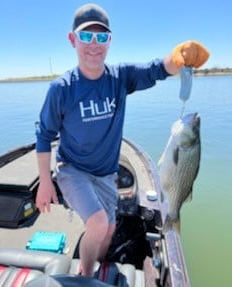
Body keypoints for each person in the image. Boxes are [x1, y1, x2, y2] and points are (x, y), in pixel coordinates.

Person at [35, 3, 209, 277]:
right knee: (98, 222)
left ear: (109, 41)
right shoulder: (61, 88)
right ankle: (86, 277)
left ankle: (95, 265)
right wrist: (45, 181)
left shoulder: (120, 78)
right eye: (86, 36)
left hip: (106, 173)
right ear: (72, 40)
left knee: (110, 229)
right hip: (73, 170)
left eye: (101, 37)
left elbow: (155, 70)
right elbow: (44, 135)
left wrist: (178, 59)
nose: (94, 44)